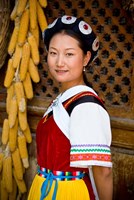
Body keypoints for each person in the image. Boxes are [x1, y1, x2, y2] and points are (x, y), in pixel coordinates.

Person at [28, 15, 113, 200]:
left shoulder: (86, 106)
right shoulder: (62, 100)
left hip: (69, 193)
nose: (59, 62)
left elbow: (103, 172)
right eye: (53, 53)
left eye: (69, 54)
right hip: (45, 188)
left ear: (86, 58)